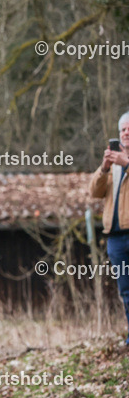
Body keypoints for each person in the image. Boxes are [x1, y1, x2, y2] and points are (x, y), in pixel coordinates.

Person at [89, 110, 129, 343]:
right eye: (123, 130)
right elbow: (95, 192)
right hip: (115, 238)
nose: (126, 133)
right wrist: (104, 168)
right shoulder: (113, 165)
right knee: (126, 290)